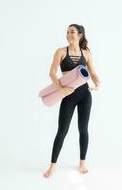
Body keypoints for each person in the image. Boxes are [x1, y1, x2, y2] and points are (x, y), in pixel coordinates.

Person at [43, 24, 101, 178]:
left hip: (84, 95)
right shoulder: (61, 52)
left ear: (80, 34)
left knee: (83, 129)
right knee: (62, 131)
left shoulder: (86, 53)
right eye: (67, 32)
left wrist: (98, 82)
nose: (69, 34)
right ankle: (52, 166)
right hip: (67, 95)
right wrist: (60, 90)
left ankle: (82, 162)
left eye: (72, 32)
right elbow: (52, 73)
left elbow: (93, 73)